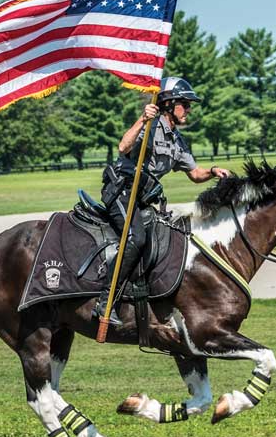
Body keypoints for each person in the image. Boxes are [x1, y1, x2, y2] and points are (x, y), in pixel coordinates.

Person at [94, 76, 232, 326]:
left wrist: (213, 171)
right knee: (135, 238)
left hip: (145, 199)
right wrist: (143, 119)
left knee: (165, 238)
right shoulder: (151, 125)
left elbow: (194, 174)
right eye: (185, 104)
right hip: (122, 193)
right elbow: (123, 147)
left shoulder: (178, 141)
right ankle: (105, 300)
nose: (189, 109)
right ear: (169, 104)